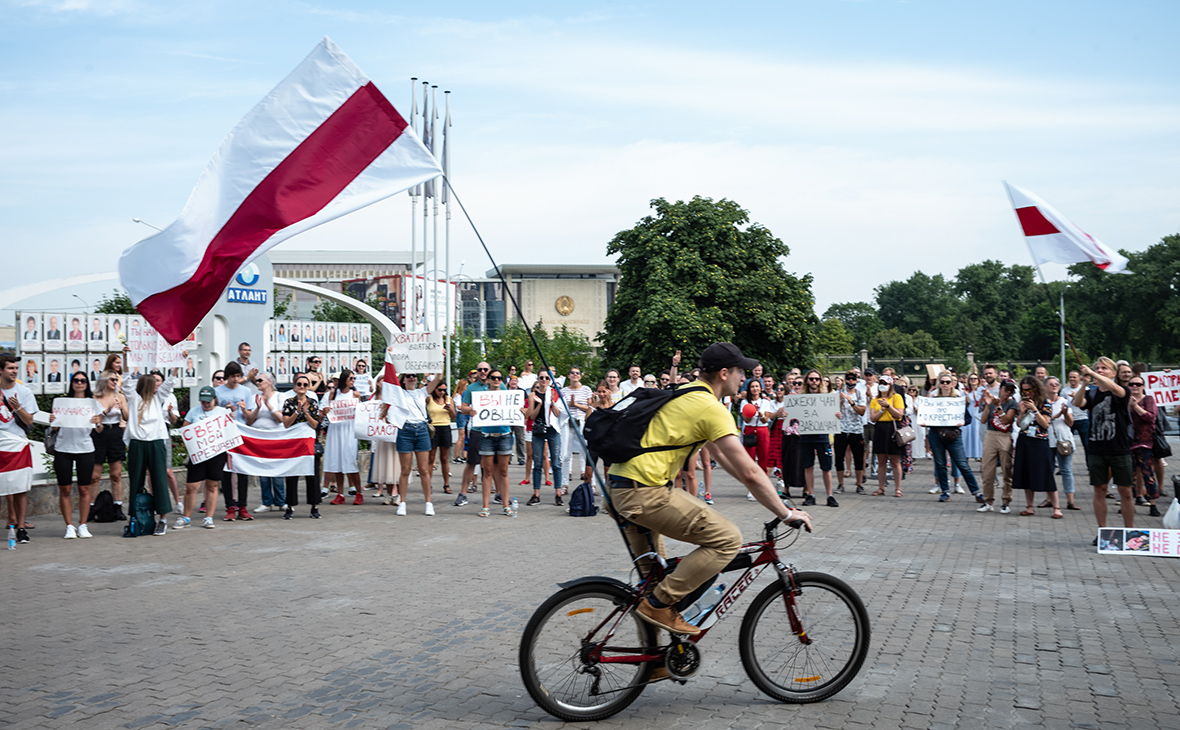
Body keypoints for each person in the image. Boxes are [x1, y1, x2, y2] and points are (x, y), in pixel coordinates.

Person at [606, 343, 812, 636]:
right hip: (645, 494)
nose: (745, 377)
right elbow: (751, 472)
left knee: (653, 586)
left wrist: (764, 492)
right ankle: (658, 606)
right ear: (724, 373)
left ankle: (654, 664)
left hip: (621, 488)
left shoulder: (688, 392)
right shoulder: (709, 407)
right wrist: (785, 512)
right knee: (727, 540)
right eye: (740, 371)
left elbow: (726, 458)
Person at [1073, 358, 1136, 536]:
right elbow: (1078, 403)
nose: (1099, 371)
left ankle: (1129, 532)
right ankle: (1102, 532)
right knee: (1099, 490)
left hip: (1119, 448)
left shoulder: (1122, 390)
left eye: (1104, 369)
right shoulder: (1092, 394)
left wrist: (1092, 374)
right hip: (1097, 448)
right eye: (1097, 368)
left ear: (1113, 373)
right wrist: (1084, 383)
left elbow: (1116, 389)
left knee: (1125, 491)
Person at [121, 348, 177, 536]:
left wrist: (178, 362)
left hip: (156, 443)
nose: (157, 387)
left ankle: (162, 519)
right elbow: (126, 378)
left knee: (159, 480)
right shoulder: (133, 399)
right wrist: (125, 357)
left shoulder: (158, 398)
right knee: (136, 480)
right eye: (154, 384)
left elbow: (169, 383)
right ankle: (135, 517)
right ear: (147, 385)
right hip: (137, 444)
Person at [924, 372, 984, 504]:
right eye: (942, 382)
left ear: (952, 384)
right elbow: (926, 416)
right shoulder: (933, 398)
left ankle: (976, 492)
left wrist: (962, 422)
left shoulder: (958, 399)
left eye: (947, 382)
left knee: (962, 464)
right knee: (940, 464)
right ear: (939, 383)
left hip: (953, 435)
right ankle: (945, 491)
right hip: (936, 434)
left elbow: (967, 418)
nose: (945, 384)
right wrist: (925, 422)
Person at [390, 371, 444, 516]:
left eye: (414, 375)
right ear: (403, 379)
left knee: (424, 469)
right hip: (405, 429)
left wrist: (441, 359)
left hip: (421, 429)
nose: (412, 377)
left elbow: (439, 377)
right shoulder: (398, 393)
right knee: (405, 469)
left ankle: (428, 503)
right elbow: (390, 378)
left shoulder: (422, 391)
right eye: (408, 376)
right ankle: (402, 502)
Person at [175, 387, 229, 530]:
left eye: (209, 401)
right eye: (203, 402)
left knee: (212, 485)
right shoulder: (194, 411)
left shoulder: (222, 412)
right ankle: (186, 517)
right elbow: (185, 429)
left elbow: (229, 430)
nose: (206, 404)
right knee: (192, 486)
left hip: (216, 453)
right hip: (198, 453)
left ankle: (209, 517)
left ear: (214, 399)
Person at [466, 368, 515, 517]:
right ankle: (485, 506)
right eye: (493, 378)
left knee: (503, 471)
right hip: (486, 435)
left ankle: (505, 505)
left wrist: (521, 411)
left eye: (499, 378)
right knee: (487, 471)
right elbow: (468, 408)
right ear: (488, 379)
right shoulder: (482, 396)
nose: (496, 380)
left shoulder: (508, 396)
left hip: (504, 435)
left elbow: (517, 411)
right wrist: (471, 411)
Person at [215, 361, 258, 521]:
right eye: (232, 376)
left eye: (238, 376)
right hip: (224, 436)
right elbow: (211, 414)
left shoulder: (246, 391)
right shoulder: (217, 391)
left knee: (243, 472)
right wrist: (224, 409)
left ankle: (243, 506)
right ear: (226, 377)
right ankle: (230, 507)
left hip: (241, 435)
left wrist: (244, 409)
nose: (235, 379)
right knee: (227, 472)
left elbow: (250, 418)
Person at [1013, 376, 1061, 518]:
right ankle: (1029, 506)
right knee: (1026, 473)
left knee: (1046, 473)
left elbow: (1045, 424)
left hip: (1039, 442)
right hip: (1024, 440)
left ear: (1036, 389)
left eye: (1029, 390)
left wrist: (1034, 410)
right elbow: (1018, 425)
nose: (1027, 393)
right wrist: (1021, 412)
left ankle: (1057, 507)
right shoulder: (1023, 403)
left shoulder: (1045, 404)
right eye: (1024, 390)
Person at [2, 355, 37, 542]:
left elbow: (29, 421)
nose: (15, 371)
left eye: (16, 368)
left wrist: (17, 408)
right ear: (0, 370)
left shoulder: (24, 392)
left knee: (20, 488)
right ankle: (11, 520)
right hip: (1, 443)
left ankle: (21, 528)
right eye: (10, 368)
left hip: (17, 443)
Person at [797, 369, 840, 508]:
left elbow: (833, 414)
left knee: (826, 467)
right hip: (806, 437)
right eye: (811, 379)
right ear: (807, 381)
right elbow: (794, 416)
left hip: (822, 437)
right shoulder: (800, 398)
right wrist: (788, 415)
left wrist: (837, 415)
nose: (814, 381)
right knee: (808, 466)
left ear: (820, 381)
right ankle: (811, 495)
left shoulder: (827, 398)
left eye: (816, 379)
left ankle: (830, 495)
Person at [246, 372, 286, 513]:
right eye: (256, 380)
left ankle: (281, 501)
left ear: (269, 381)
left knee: (277, 471)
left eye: (260, 380)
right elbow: (249, 421)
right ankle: (266, 502)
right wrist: (257, 407)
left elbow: (280, 418)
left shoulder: (280, 396)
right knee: (263, 471)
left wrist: (268, 404)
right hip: (260, 439)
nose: (257, 382)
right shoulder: (253, 397)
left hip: (275, 437)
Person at [91, 370, 128, 520]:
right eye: (112, 379)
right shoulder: (95, 398)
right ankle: (92, 507)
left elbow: (127, 416)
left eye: (116, 379)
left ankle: (117, 505)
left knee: (116, 474)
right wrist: (107, 409)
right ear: (104, 381)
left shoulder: (120, 396)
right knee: (95, 475)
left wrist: (121, 407)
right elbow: (95, 419)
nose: (114, 382)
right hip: (99, 433)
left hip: (115, 432)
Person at [323, 369, 363, 507]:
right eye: (351, 378)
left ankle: (359, 493)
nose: (353, 381)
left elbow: (361, 413)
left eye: (354, 379)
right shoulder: (334, 393)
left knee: (350, 461)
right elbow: (328, 409)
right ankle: (340, 494)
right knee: (337, 462)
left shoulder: (355, 394)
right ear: (344, 379)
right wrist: (326, 410)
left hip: (349, 430)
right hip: (336, 429)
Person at [978, 379, 1018, 514]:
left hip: (1005, 436)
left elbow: (1006, 420)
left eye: (1011, 391)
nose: (1008, 393)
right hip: (991, 434)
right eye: (1006, 389)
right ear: (1000, 389)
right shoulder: (992, 400)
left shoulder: (1012, 403)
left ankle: (1006, 501)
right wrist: (988, 405)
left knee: (1007, 470)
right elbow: (983, 420)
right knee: (987, 470)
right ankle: (988, 500)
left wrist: (998, 406)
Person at [525, 371, 564, 506]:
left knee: (556, 462)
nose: (544, 380)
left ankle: (558, 493)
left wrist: (552, 402)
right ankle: (536, 494)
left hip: (553, 429)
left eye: (547, 378)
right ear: (537, 379)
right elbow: (532, 416)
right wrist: (539, 404)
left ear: (550, 380)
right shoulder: (533, 395)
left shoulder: (554, 392)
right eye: (541, 377)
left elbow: (558, 414)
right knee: (537, 462)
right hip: (538, 429)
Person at [1127, 375, 1161, 518]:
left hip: (1145, 442)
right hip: (1129, 442)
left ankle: (1153, 504)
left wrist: (1135, 406)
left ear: (1143, 386)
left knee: (1148, 473)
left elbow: (1151, 417)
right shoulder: (1125, 400)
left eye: (1138, 384)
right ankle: (1129, 503)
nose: (1135, 386)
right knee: (1129, 475)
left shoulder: (1148, 399)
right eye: (1132, 384)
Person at [1044, 376, 1078, 511]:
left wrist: (1065, 414)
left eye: (1056, 383)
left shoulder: (1064, 401)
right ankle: (1049, 499)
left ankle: (1071, 501)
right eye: (1051, 384)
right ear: (1045, 387)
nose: (1054, 385)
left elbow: (1070, 423)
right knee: (1048, 471)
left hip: (1064, 440)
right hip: (1047, 440)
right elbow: (1042, 420)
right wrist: (1056, 416)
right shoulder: (1042, 402)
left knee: (1066, 470)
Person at [868, 375, 906, 498]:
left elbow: (899, 415)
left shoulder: (897, 397)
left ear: (890, 385)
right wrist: (881, 410)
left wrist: (888, 406)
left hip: (893, 428)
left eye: (885, 382)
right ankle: (881, 487)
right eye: (880, 382)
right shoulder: (875, 400)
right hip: (880, 429)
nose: (882, 384)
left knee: (895, 461)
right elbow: (873, 418)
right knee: (881, 461)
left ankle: (898, 488)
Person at [427, 380, 457, 496]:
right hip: (432, 428)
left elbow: (453, 416)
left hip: (445, 427)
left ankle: (446, 484)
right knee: (431, 458)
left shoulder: (448, 399)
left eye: (444, 390)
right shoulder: (429, 399)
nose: (442, 392)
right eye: (440, 390)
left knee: (444, 458)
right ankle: (428, 484)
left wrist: (450, 410)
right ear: (435, 389)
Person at [1061, 369, 1090, 456]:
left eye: (1074, 377)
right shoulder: (1064, 391)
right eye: (1070, 377)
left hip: (1082, 419)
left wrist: (1076, 397)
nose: (1072, 379)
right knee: (1066, 444)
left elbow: (1088, 404)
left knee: (1087, 444)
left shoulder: (1086, 389)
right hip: (1069, 420)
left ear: (1079, 378)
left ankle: (1090, 466)